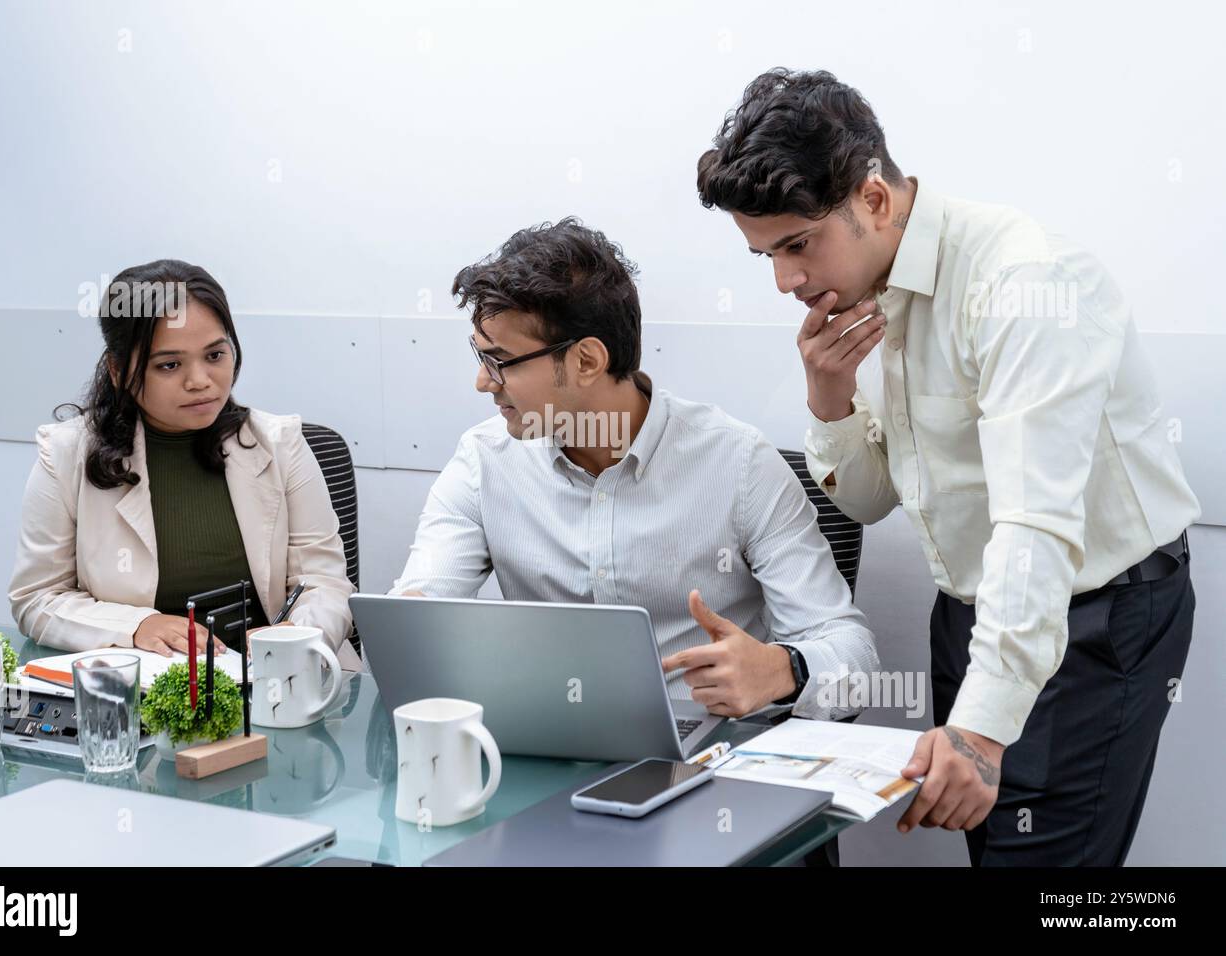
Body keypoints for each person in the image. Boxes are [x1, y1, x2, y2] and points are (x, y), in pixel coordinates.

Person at [697, 68, 1199, 865]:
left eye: (797, 245)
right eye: (765, 253)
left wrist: (976, 730)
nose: (786, 280)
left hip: (1092, 612)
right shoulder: (876, 289)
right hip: (973, 608)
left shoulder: (1025, 285)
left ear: (873, 199)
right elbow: (868, 503)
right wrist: (829, 400)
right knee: (995, 846)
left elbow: (1035, 526)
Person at [392, 218, 878, 724]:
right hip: (550, 749)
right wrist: (419, 622)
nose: (481, 382)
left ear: (586, 361)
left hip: (710, 765)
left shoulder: (737, 463)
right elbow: (415, 611)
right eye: (481, 356)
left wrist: (783, 670)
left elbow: (855, 659)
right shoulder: (482, 461)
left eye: (500, 362)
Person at [8, 259, 361, 670]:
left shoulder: (282, 444)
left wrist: (298, 637)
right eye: (169, 365)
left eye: (215, 354)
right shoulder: (65, 454)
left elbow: (325, 583)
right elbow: (37, 598)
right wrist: (138, 625)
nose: (200, 380)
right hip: (144, 692)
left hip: (281, 687)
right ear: (119, 371)